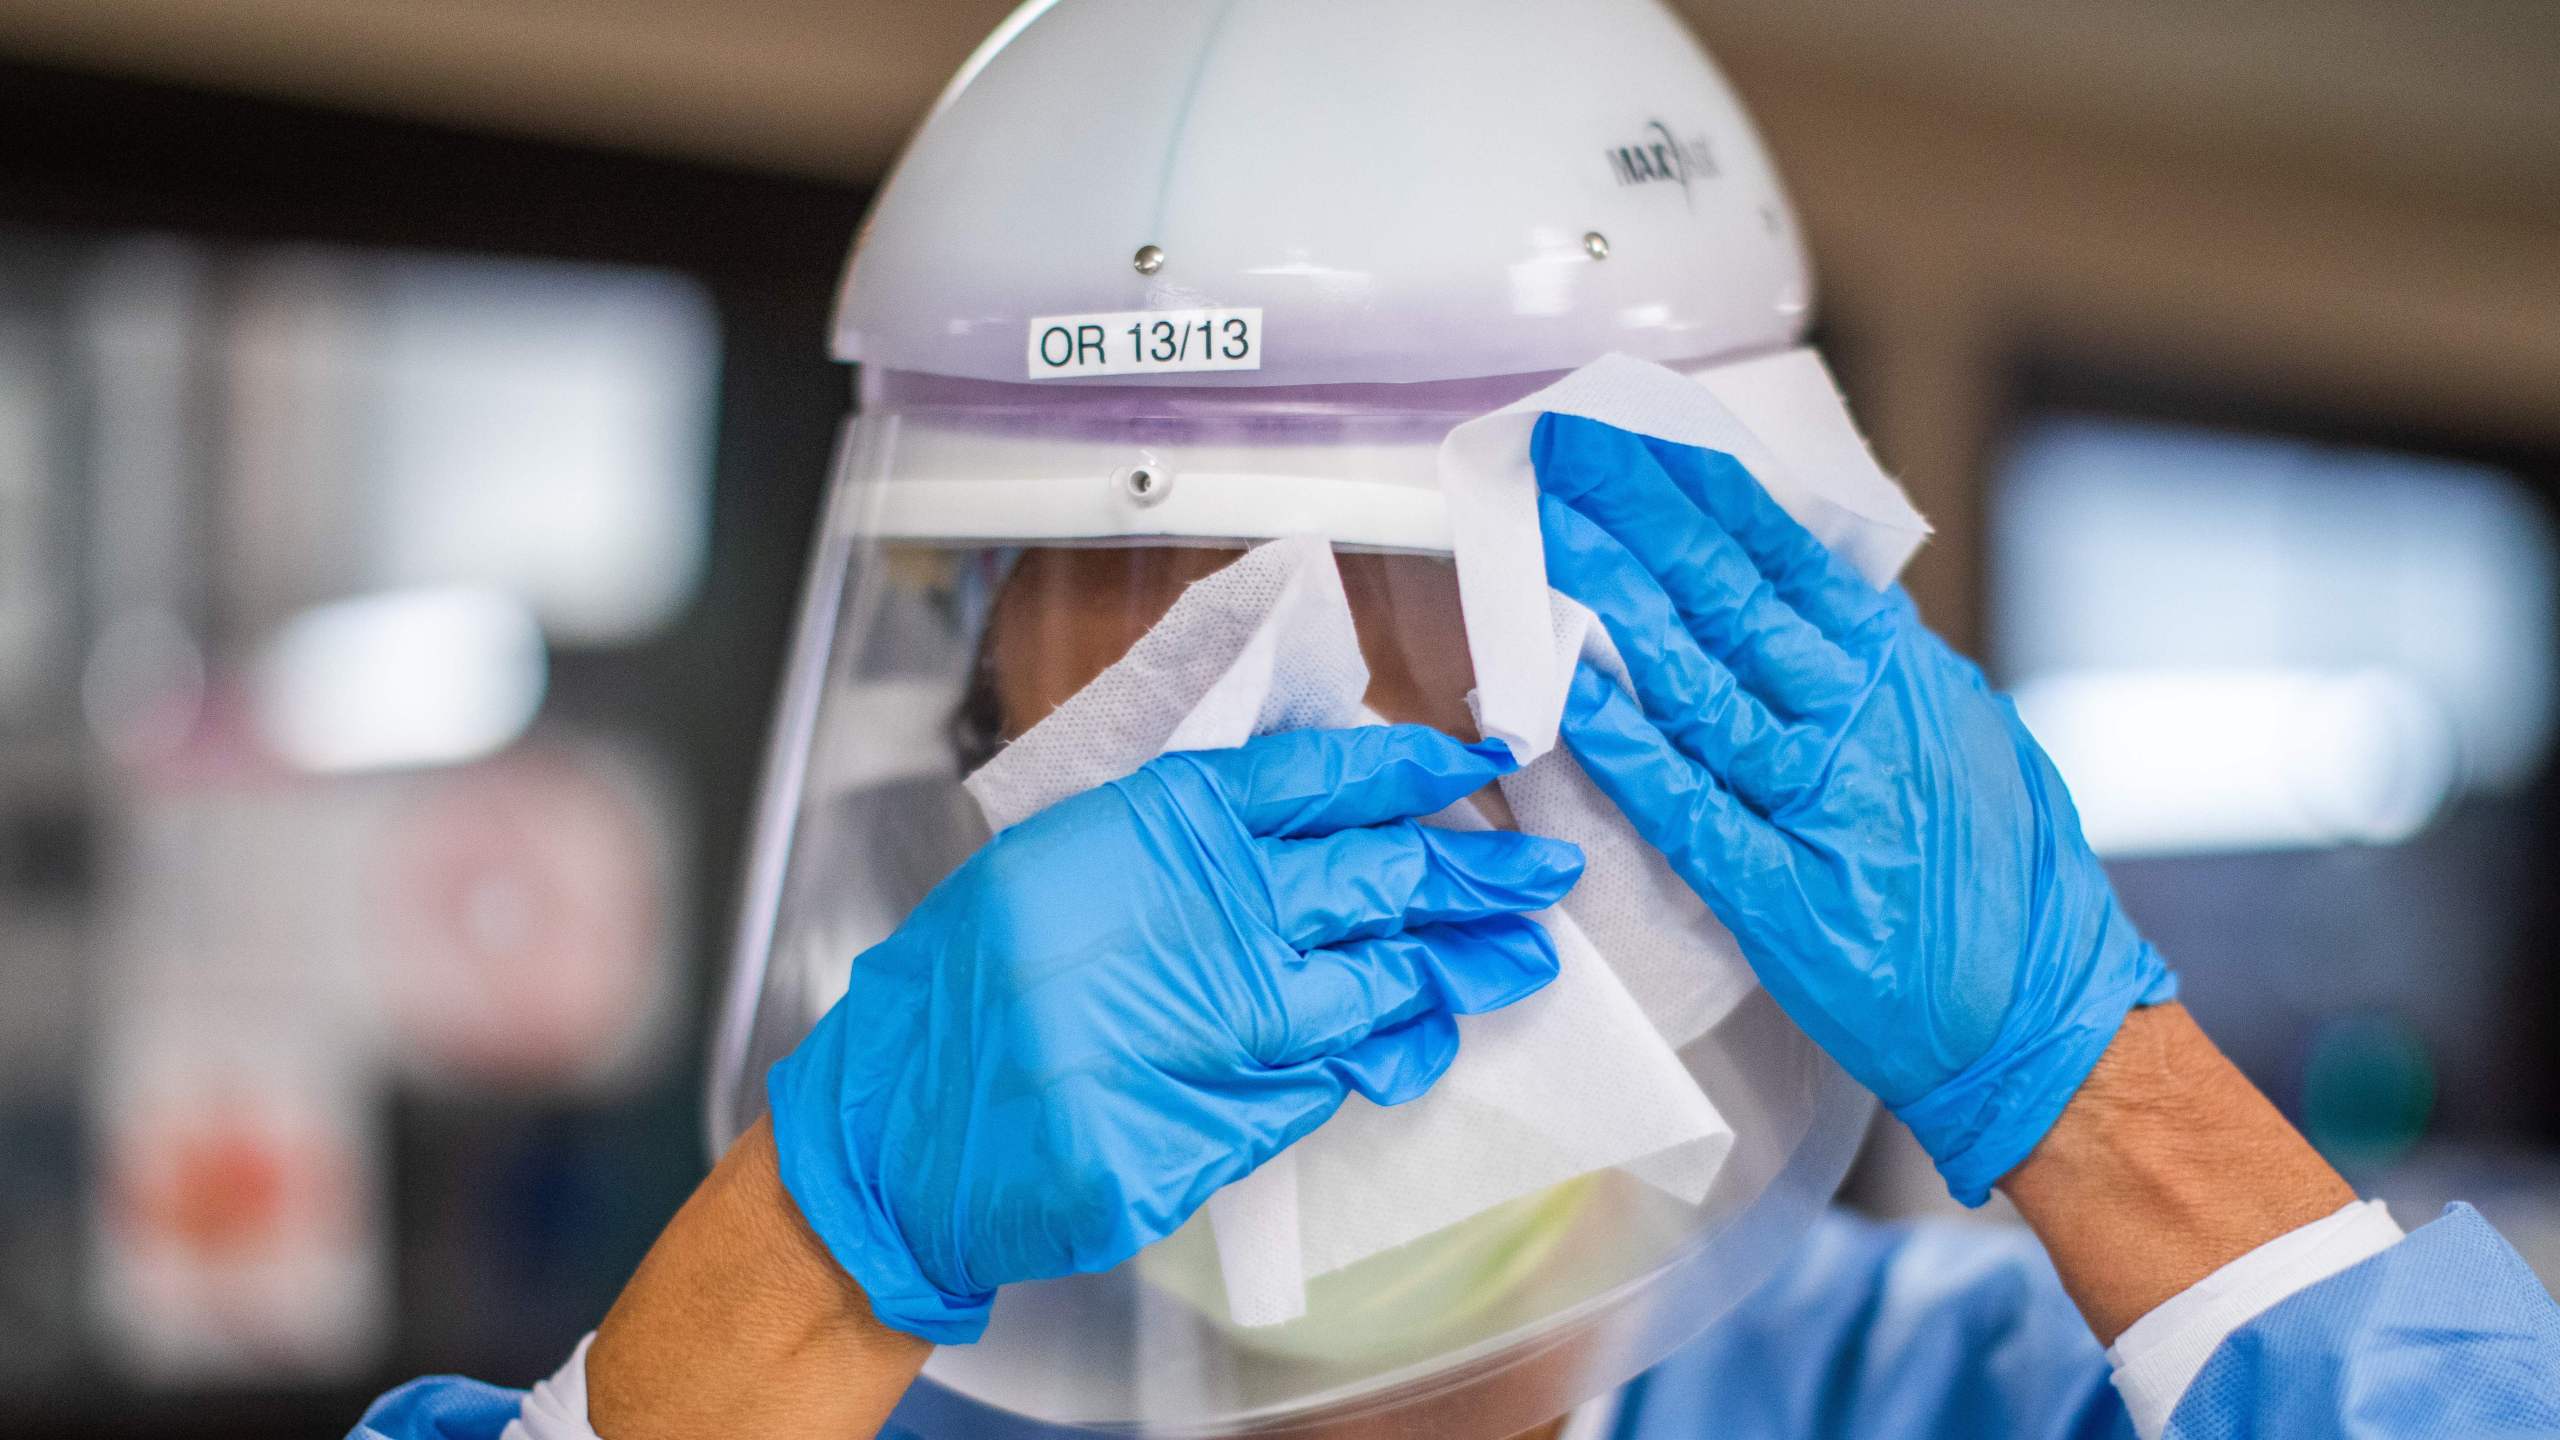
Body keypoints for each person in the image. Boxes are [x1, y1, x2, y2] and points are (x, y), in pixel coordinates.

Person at [353, 415, 2560, 1440]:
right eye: (1137, 848)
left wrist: (2100, 1086)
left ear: (1698, 865)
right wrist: (809, 1248)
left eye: (1400, 796)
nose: (1270, 977)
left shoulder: (1940, 1410)